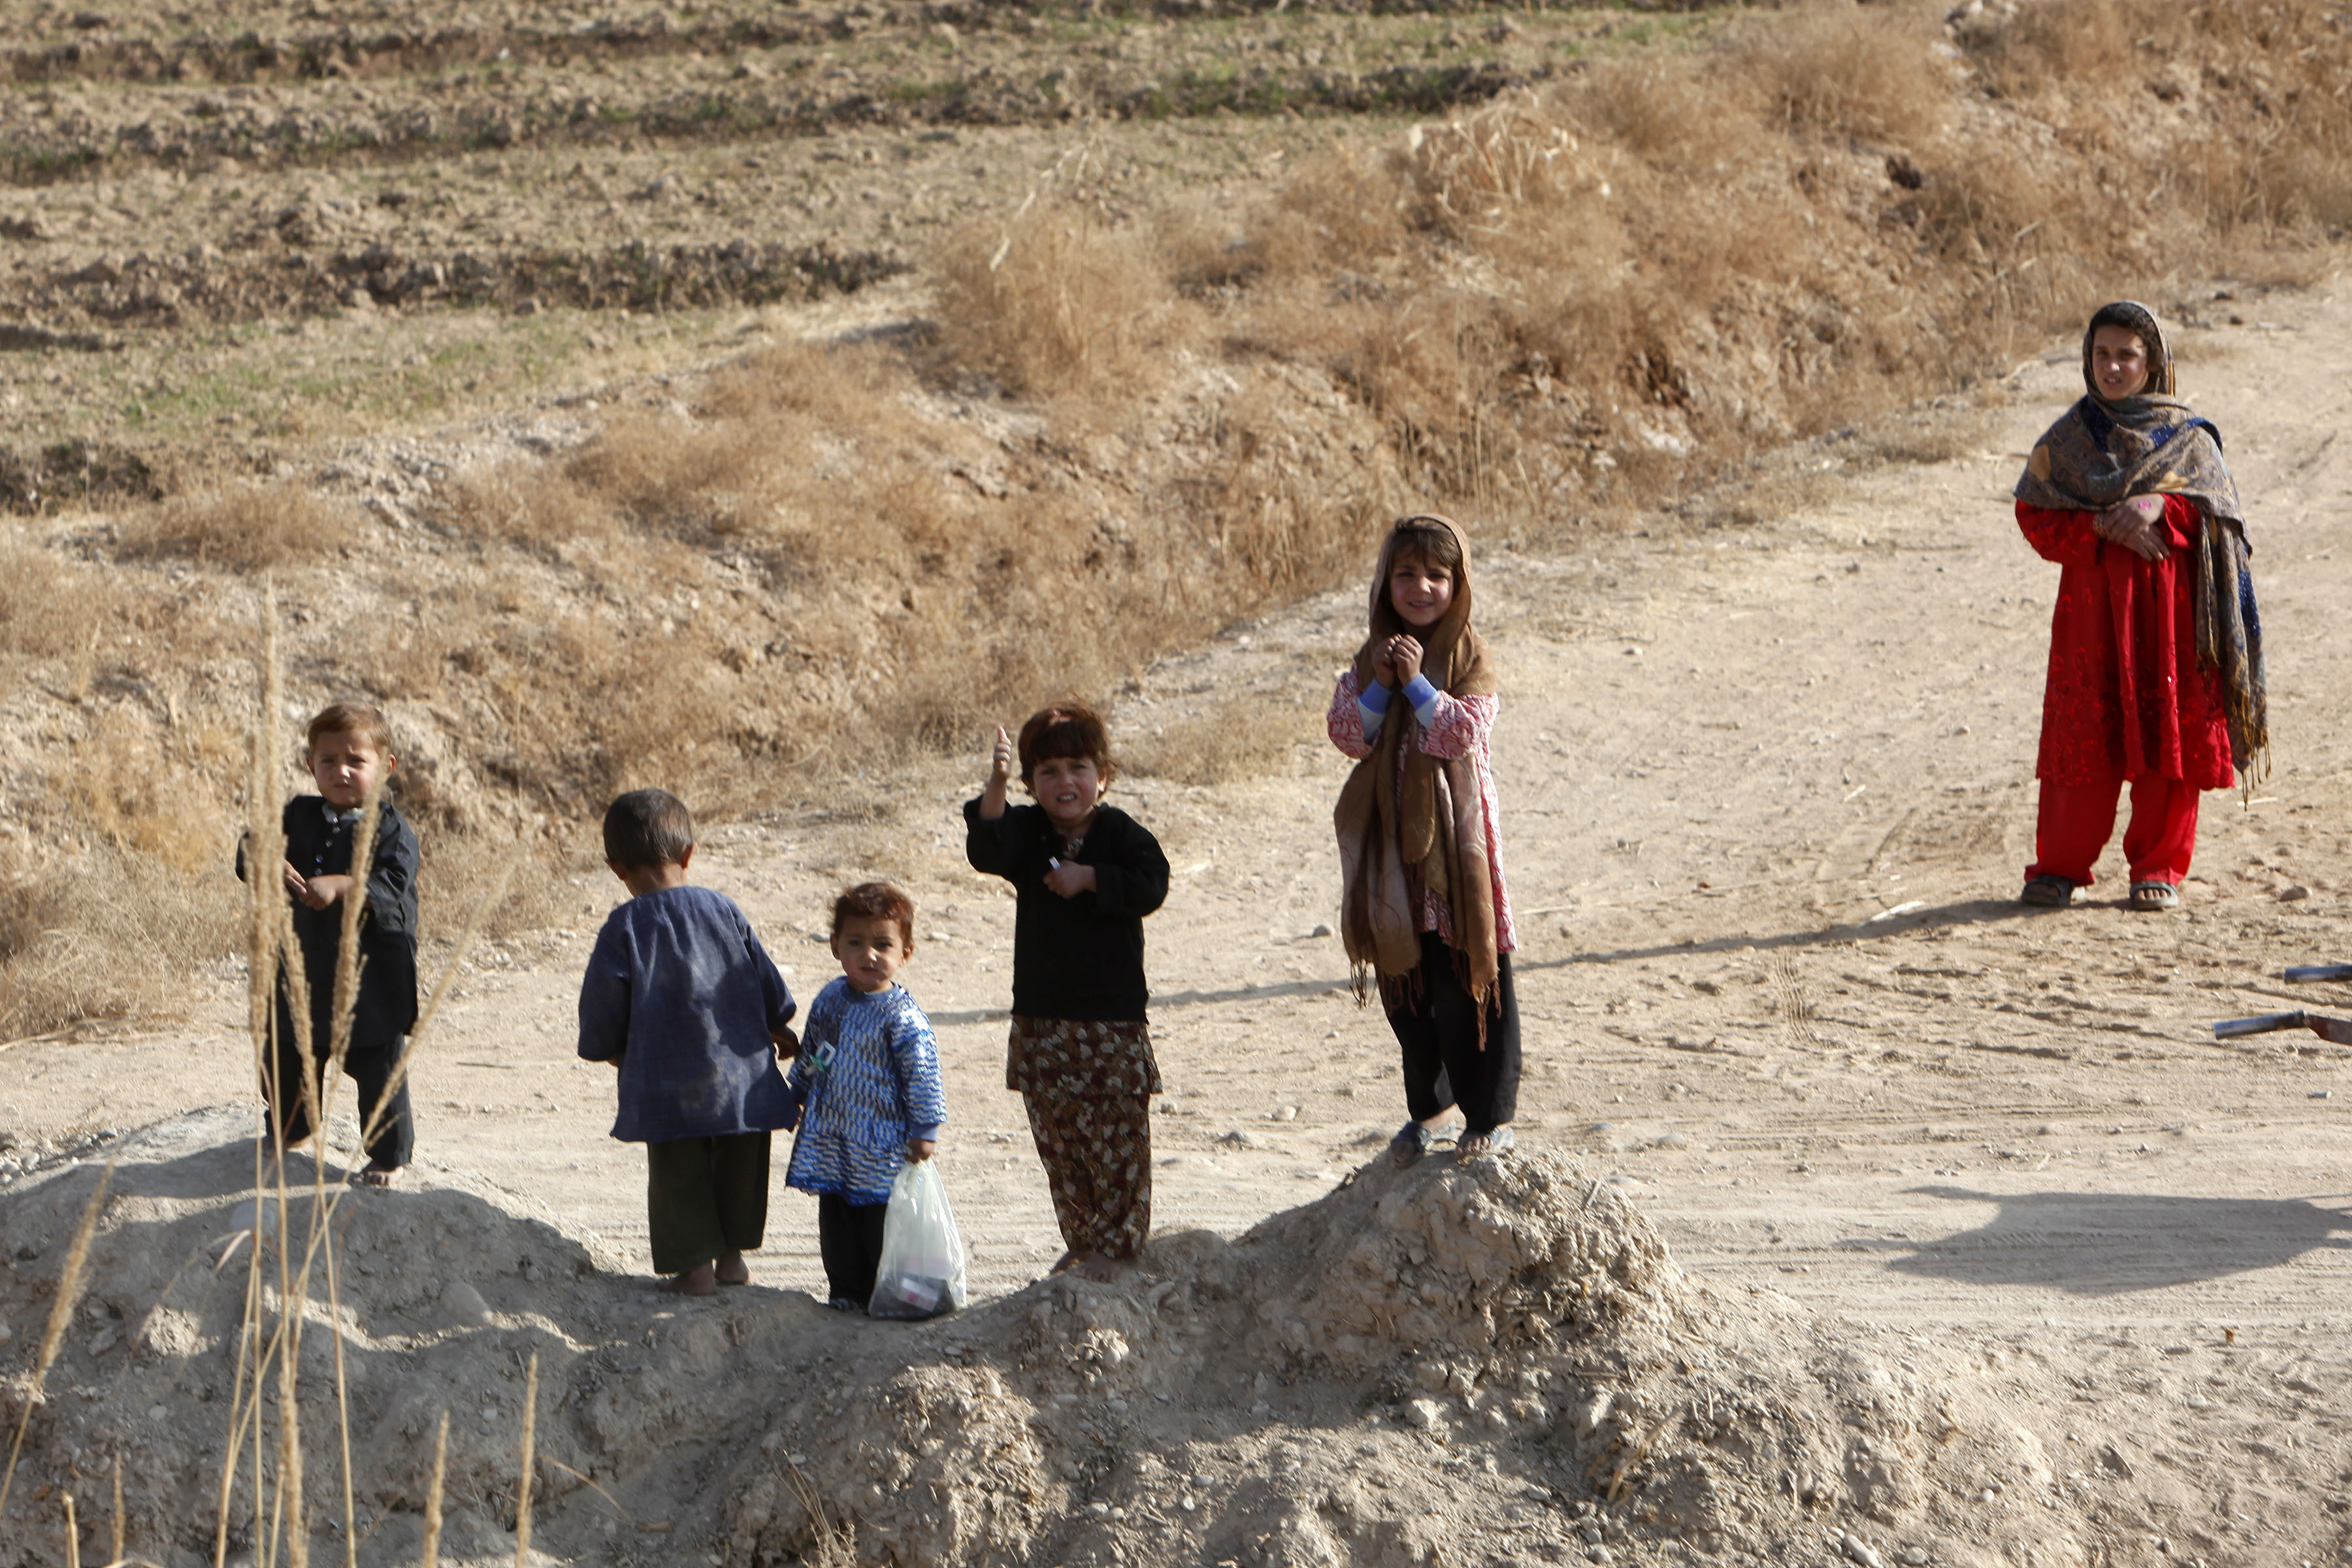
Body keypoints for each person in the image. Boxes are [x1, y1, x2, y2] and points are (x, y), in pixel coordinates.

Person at [2014, 300, 2268, 913]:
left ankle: (2158, 866)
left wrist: (2155, 507)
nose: (2112, 366)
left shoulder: (2188, 440)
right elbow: (2034, 513)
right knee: (2083, 734)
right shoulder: (2070, 439)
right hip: (2091, 615)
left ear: (2151, 362)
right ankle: (2059, 867)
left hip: (2170, 616)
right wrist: (2102, 524)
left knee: (2169, 727)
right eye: (2102, 354)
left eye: (2126, 354)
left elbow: (2217, 514)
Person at [1328, 514, 1522, 1166]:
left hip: (1455, 849)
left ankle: (1489, 1117)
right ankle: (1431, 1110)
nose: (1421, 587)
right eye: (1406, 574)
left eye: (1437, 575)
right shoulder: (1370, 657)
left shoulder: (1468, 653)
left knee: (1466, 978)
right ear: (1386, 584)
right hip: (1391, 851)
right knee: (1404, 976)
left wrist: (1416, 683)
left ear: (1457, 584)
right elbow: (1351, 736)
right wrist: (1383, 683)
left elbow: (1462, 733)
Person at [964, 704, 1169, 1283]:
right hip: (1042, 1019)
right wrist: (997, 784)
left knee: (1117, 1138)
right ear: (1032, 784)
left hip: (1110, 1020)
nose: (1065, 782)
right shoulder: (1028, 834)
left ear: (1103, 775)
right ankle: (1081, 1239)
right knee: (1060, 1138)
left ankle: (1120, 1242)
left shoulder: (1121, 835)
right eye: (1047, 771)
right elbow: (987, 849)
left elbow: (1152, 884)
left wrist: (1092, 879)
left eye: (1078, 766)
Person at [577, 789, 799, 1296]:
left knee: (680, 1175)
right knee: (740, 1166)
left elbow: (603, 1004)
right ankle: (733, 1262)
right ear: (688, 854)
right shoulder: (724, 910)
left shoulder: (623, 929)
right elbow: (762, 978)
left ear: (616, 868)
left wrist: (609, 1048)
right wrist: (778, 1024)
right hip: (741, 1080)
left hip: (666, 1083)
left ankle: (695, 1271)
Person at [235, 701, 420, 1186]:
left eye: (356, 761)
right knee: (289, 1051)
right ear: (310, 765)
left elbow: (392, 883)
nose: (341, 771)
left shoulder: (392, 830)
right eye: (328, 761)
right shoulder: (298, 815)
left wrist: (342, 885)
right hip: (302, 964)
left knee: (378, 1066)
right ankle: (291, 1126)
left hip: (371, 975)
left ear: (386, 767)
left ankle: (387, 1156)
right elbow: (252, 845)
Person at [782, 882, 947, 1313]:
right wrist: (797, 1090)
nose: (869, 955)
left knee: (880, 1217)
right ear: (836, 946)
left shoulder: (902, 1017)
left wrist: (925, 1129)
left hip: (883, 1139)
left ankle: (892, 1291)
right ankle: (846, 1290)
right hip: (834, 1132)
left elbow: (922, 1075)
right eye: (856, 942)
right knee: (837, 1213)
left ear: (905, 952)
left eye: (882, 944)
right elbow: (816, 1051)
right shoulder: (831, 1000)